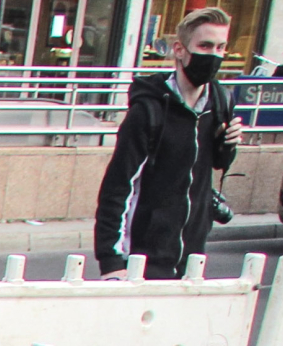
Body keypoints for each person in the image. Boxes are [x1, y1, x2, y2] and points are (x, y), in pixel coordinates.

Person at [94, 6, 241, 279]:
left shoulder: (221, 100)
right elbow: (118, 186)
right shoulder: (148, 110)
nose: (213, 56)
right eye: (205, 46)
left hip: (192, 255)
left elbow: (217, 164)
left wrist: (228, 144)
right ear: (180, 50)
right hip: (142, 256)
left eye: (221, 47)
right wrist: (112, 261)